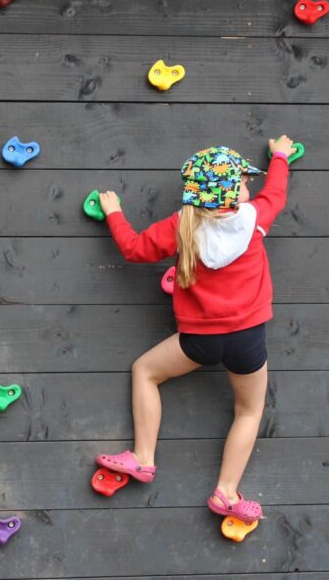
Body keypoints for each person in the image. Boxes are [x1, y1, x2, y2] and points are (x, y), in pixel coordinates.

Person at [94, 136, 295, 523]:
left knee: (145, 372)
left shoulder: (180, 226)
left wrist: (114, 212)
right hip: (248, 340)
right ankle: (226, 492)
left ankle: (143, 457)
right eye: (242, 182)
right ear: (231, 192)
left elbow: (134, 249)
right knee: (249, 411)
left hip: (199, 340)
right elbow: (277, 190)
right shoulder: (255, 218)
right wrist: (281, 156)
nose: (248, 187)